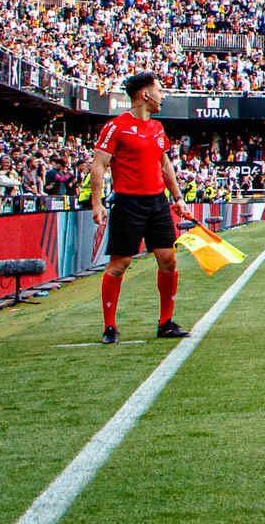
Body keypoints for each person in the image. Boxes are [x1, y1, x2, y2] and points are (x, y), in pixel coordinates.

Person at [90, 73, 188, 344]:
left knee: (168, 259)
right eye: (159, 90)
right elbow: (99, 165)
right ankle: (109, 326)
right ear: (145, 94)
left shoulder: (157, 128)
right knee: (119, 264)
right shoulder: (116, 126)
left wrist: (177, 197)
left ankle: (166, 322)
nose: (163, 95)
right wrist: (96, 203)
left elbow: (165, 165)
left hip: (157, 202)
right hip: (128, 203)